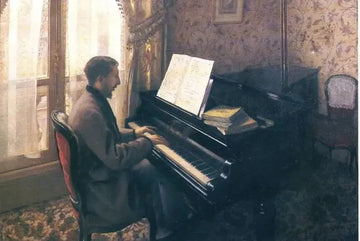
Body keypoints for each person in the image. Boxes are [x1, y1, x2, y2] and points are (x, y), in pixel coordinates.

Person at [69, 56, 192, 241]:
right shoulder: (90, 112)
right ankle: (168, 227)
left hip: (98, 173)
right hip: (102, 189)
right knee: (152, 168)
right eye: (115, 76)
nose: (118, 82)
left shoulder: (91, 100)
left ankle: (169, 219)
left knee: (148, 168)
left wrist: (135, 133)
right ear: (100, 78)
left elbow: (106, 133)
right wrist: (148, 142)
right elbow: (116, 158)